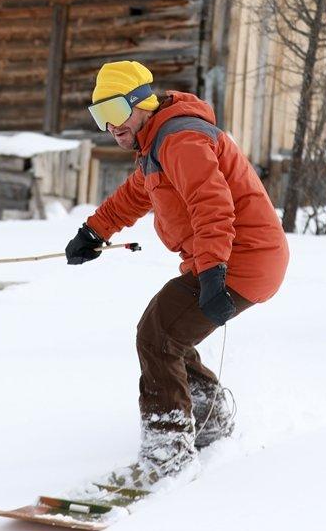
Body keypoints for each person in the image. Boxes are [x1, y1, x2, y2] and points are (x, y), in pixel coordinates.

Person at [65, 61, 289, 486]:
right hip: (233, 257)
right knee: (168, 332)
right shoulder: (157, 142)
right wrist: (94, 231)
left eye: (114, 111)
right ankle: (209, 419)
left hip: (241, 257)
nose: (110, 126)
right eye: (99, 117)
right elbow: (136, 194)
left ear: (141, 103)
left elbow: (212, 205)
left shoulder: (180, 138)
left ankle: (169, 449)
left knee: (159, 334)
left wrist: (212, 274)